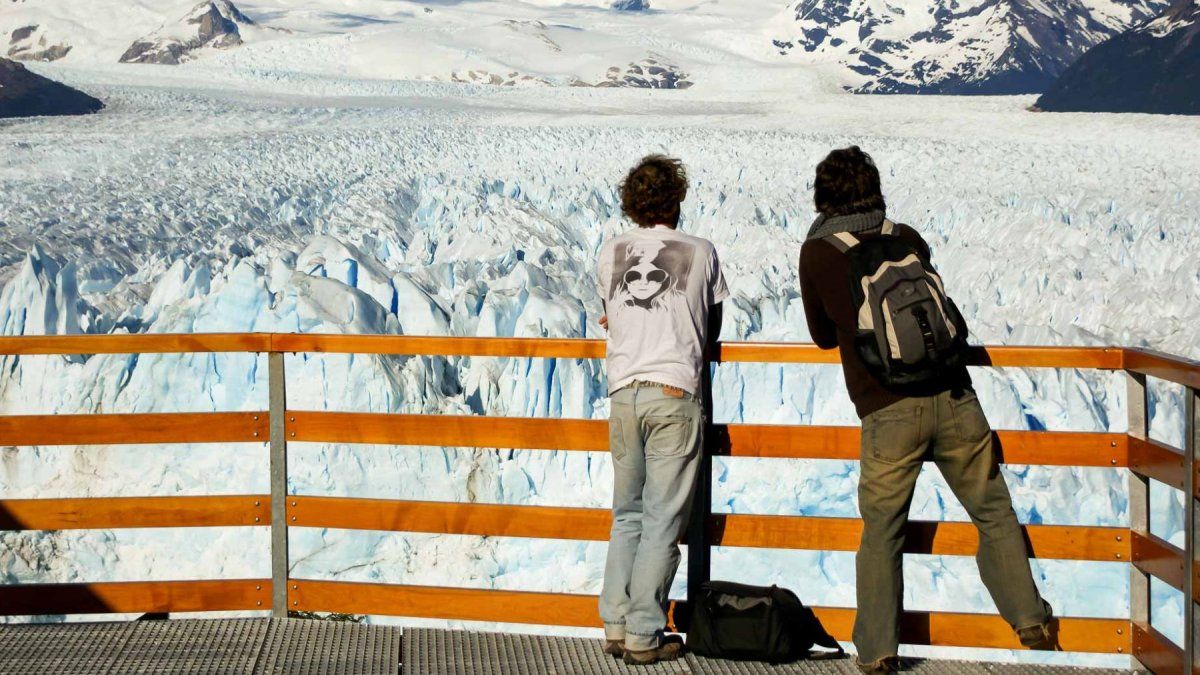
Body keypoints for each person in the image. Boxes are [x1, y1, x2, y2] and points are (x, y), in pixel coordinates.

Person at [798, 147, 1055, 673]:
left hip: (887, 409)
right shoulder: (906, 236)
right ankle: (1030, 617)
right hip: (955, 397)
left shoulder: (820, 252)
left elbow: (823, 337)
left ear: (824, 196)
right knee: (993, 511)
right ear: (873, 186)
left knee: (883, 531)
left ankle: (877, 650)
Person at [597, 155, 728, 666]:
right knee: (662, 519)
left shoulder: (610, 252)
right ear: (677, 199)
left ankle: (614, 621)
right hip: (674, 393)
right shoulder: (701, 250)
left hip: (623, 394)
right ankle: (645, 634)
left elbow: (609, 316)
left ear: (632, 203)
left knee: (626, 512)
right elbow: (710, 324)